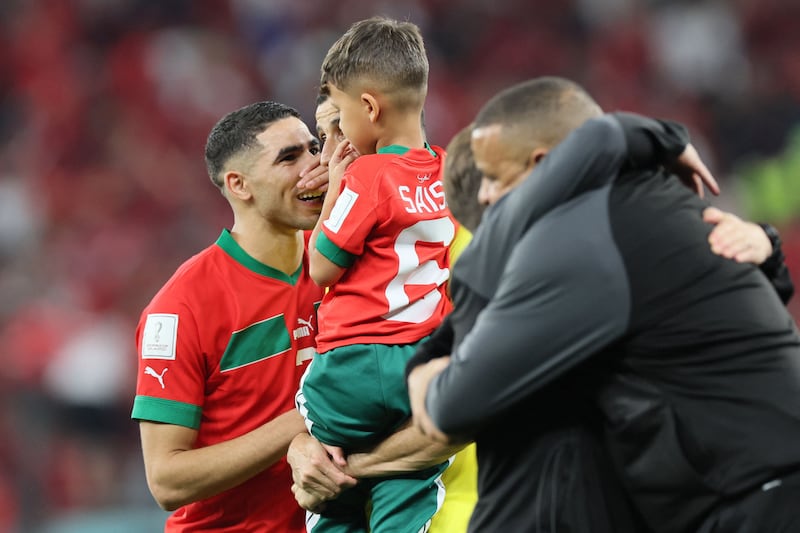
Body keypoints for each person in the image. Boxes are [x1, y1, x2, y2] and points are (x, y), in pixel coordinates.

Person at [408, 77, 800, 532]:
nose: (486, 197)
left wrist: (424, 367)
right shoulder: (651, 200)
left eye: (495, 178)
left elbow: (451, 408)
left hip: (760, 502)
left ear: (545, 165)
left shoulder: (580, 238)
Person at [131, 101, 328, 532]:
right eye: (289, 157)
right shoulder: (181, 308)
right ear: (239, 185)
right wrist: (304, 422)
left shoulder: (342, 265)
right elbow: (166, 480)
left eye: (315, 148)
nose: (315, 166)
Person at [294, 16, 457, 532]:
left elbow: (321, 266)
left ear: (368, 107)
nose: (337, 138)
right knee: (410, 481)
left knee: (324, 468)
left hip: (353, 370)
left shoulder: (366, 175)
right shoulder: (448, 171)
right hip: (422, 366)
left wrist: (338, 189)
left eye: (340, 117)